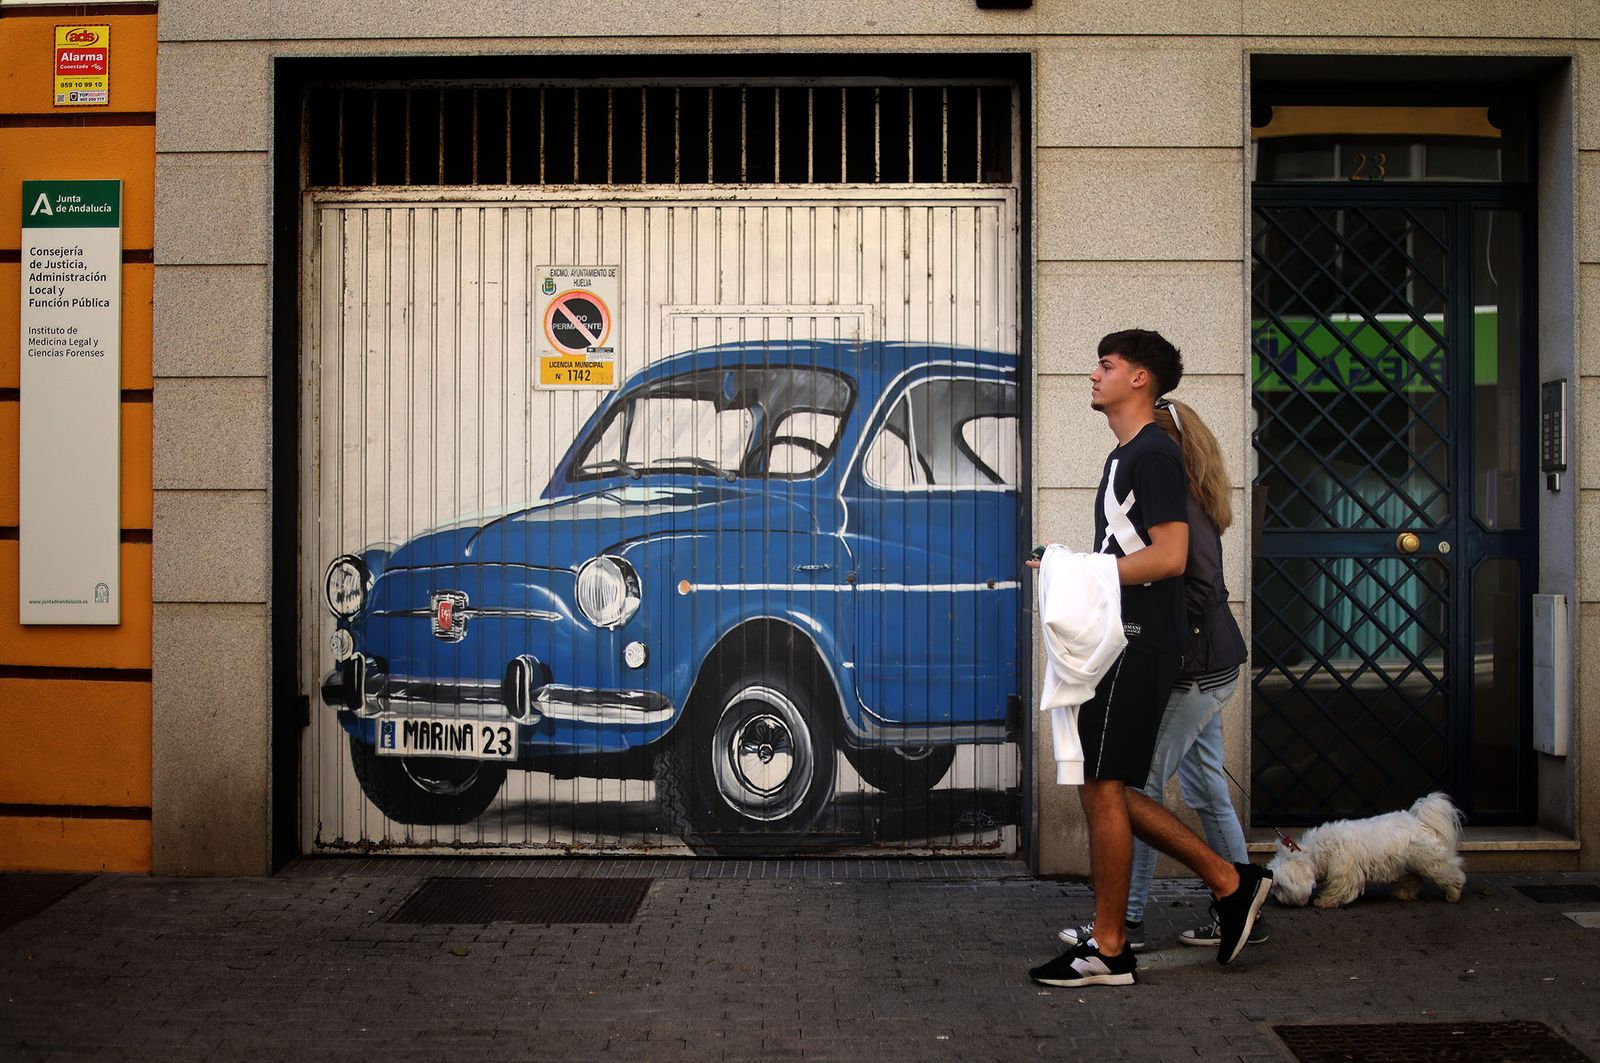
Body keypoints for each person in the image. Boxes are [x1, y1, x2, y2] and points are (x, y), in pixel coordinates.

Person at [1028, 329, 1270, 989]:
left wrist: (1083, 571)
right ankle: (1224, 883)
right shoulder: (1127, 456)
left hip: (1140, 640)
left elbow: (1168, 555)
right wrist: (1068, 565)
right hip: (1123, 636)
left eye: (1104, 365)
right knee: (1100, 785)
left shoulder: (1152, 456)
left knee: (1107, 787)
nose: (1092, 375)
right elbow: (1131, 551)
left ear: (1140, 378)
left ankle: (1114, 944)